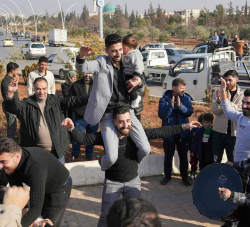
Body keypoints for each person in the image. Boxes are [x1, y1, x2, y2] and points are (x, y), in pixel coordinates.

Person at [62, 106, 201, 227]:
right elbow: (84, 140)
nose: (125, 125)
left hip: (132, 182)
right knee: (106, 217)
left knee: (135, 216)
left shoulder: (136, 136)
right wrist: (72, 128)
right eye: (121, 122)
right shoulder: (106, 136)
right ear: (114, 122)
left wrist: (185, 126)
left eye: (128, 121)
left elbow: (160, 131)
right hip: (112, 183)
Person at [75, 33, 150, 172]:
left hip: (127, 111)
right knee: (111, 157)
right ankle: (104, 166)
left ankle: (132, 165)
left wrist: (139, 81)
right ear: (106, 50)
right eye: (114, 50)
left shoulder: (127, 60)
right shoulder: (101, 62)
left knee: (145, 149)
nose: (118, 54)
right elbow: (83, 68)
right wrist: (81, 57)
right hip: (108, 113)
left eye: (120, 49)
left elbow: (141, 77)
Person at [4, 77, 87, 164]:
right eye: (38, 89)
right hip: (35, 153)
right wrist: (10, 93)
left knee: (60, 177)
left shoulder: (56, 101)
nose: (41, 92)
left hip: (57, 151)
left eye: (44, 88)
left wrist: (91, 97)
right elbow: (11, 108)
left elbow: (73, 101)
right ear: (34, 89)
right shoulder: (27, 104)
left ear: (48, 88)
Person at [0, 137, 72, 227]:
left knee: (48, 224)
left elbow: (35, 208)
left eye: (3, 161)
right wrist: (25, 211)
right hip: (43, 184)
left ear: (16, 156)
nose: (0, 166)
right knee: (32, 218)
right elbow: (18, 192)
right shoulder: (9, 167)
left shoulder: (35, 167)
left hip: (59, 188)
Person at [158, 78, 194, 186]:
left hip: (183, 134)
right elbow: (161, 115)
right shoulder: (164, 99)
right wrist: (171, 106)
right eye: (181, 88)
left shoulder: (186, 98)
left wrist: (180, 106)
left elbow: (189, 112)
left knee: (183, 156)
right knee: (168, 156)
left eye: (184, 88)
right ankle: (167, 176)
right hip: (169, 134)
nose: (183, 90)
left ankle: (184, 177)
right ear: (174, 88)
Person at [212, 70, 244, 163]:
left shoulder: (243, 94)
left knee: (233, 159)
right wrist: (219, 101)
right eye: (226, 80)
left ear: (236, 80)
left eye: (230, 80)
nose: (228, 83)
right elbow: (215, 111)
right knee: (215, 158)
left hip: (234, 133)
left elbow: (239, 110)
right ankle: (215, 177)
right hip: (218, 131)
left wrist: (227, 101)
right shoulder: (218, 92)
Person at [68, 73, 98, 162]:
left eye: (89, 73)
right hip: (80, 117)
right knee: (76, 136)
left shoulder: (97, 84)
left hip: (93, 117)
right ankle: (75, 154)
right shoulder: (76, 85)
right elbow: (70, 99)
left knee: (91, 137)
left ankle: (89, 154)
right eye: (85, 72)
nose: (87, 75)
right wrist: (75, 110)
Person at [122, 34, 144, 108]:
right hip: (128, 75)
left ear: (125, 47)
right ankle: (133, 99)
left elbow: (138, 65)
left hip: (134, 75)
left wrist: (136, 76)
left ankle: (136, 99)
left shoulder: (135, 54)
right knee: (127, 88)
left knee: (130, 89)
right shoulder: (126, 54)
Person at [190, 113, 214, 178]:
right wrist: (193, 150)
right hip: (201, 149)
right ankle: (202, 177)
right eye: (204, 122)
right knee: (202, 163)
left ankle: (208, 177)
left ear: (211, 122)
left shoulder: (213, 131)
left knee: (208, 164)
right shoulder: (199, 130)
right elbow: (196, 141)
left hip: (209, 150)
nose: (205, 124)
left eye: (207, 122)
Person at [0, 62, 19, 139]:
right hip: (10, 108)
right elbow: (7, 97)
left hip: (15, 106)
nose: (17, 72)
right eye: (16, 70)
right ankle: (10, 143)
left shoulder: (10, 79)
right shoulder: (6, 82)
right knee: (12, 127)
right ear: (12, 71)